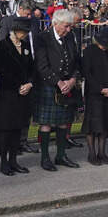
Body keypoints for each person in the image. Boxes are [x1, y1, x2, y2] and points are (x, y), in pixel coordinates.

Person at [33, 9, 82, 170]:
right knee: (46, 123)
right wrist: (59, 83)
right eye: (66, 26)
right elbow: (42, 66)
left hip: (67, 85)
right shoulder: (43, 38)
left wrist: (73, 79)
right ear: (56, 23)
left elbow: (76, 61)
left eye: (70, 27)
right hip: (49, 86)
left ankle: (61, 156)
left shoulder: (70, 38)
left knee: (64, 122)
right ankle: (45, 158)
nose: (68, 30)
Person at [0, 17, 34, 176]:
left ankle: (14, 161)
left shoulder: (25, 46)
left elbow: (31, 69)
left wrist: (29, 83)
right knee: (5, 130)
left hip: (23, 95)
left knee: (18, 128)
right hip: (7, 94)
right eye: (23, 32)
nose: (25, 35)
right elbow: (0, 71)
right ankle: (4, 163)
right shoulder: (2, 46)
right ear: (16, 31)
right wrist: (18, 86)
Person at [82, 28, 108, 165]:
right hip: (94, 93)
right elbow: (87, 73)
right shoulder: (89, 51)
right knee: (92, 125)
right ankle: (92, 154)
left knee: (105, 124)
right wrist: (101, 89)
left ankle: (102, 153)